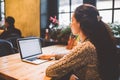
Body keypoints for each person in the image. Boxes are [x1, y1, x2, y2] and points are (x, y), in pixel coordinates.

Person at [38, 4, 119, 80]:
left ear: (80, 23)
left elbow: (50, 70)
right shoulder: (96, 41)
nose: (70, 24)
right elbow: (76, 56)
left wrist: (68, 75)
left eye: (72, 20)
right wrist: (54, 56)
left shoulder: (87, 47)